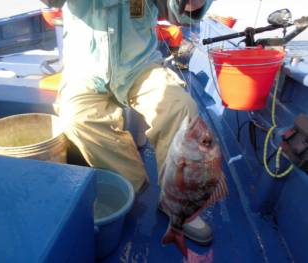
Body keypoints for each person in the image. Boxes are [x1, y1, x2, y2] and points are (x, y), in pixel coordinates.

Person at [47, 0, 214, 245]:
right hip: (85, 70)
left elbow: (177, 12)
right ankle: (130, 185)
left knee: (181, 108)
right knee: (76, 117)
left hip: (140, 68)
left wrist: (191, 3)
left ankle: (177, 203)